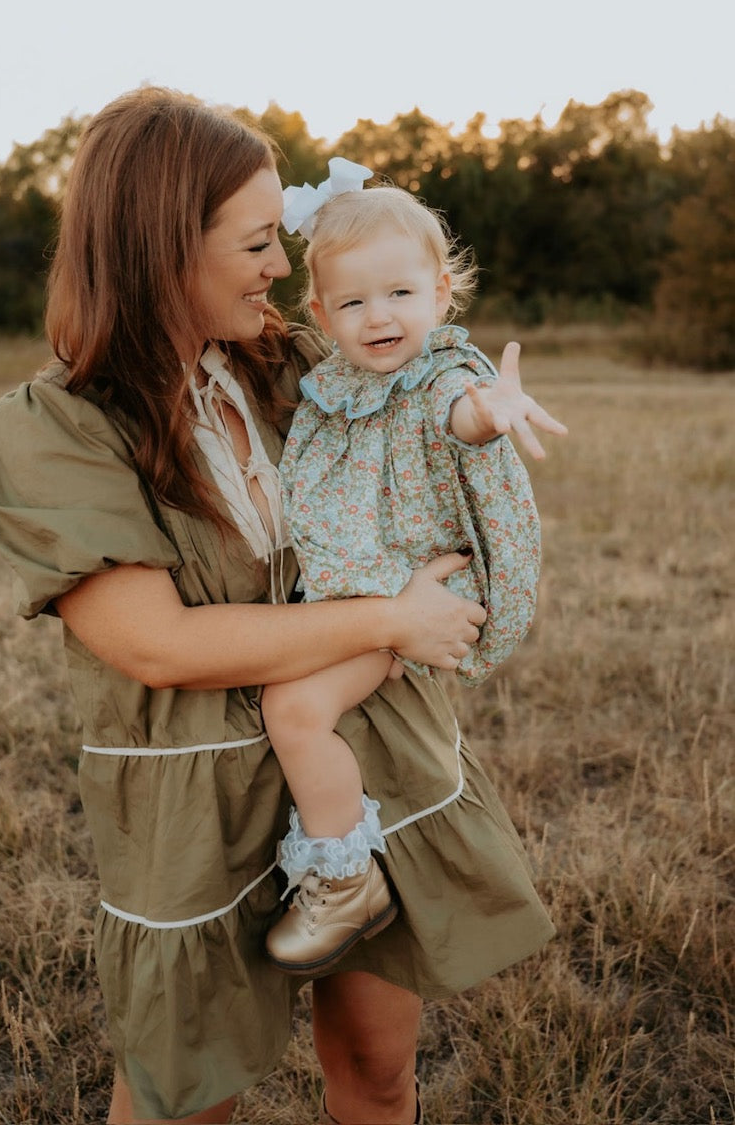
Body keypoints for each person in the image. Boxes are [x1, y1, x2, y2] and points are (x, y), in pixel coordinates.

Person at [0, 87, 556, 1125]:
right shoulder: (53, 428)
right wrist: (388, 619)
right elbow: (153, 642)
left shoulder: (294, 365)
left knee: (377, 1068)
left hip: (358, 751)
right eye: (255, 243)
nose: (281, 267)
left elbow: (421, 374)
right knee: (185, 1099)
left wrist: (474, 406)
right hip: (195, 799)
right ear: (163, 248)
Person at [260, 164, 567, 976]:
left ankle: (344, 877)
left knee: (292, 709)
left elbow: (456, 418)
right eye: (353, 303)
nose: (380, 316)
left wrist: (488, 415)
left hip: (406, 598)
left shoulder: (442, 377)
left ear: (440, 293)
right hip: (354, 593)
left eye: (399, 294)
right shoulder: (334, 387)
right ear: (321, 314)